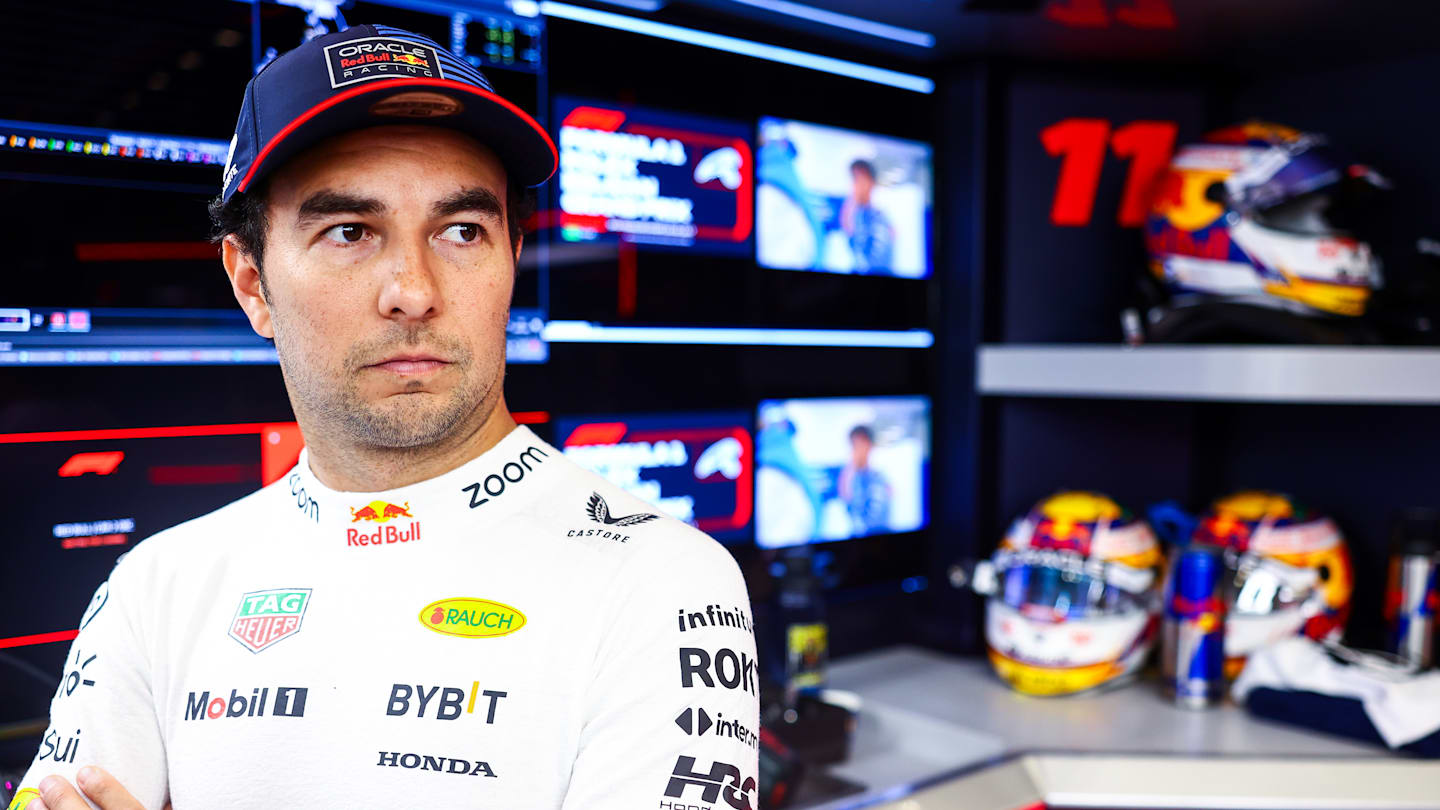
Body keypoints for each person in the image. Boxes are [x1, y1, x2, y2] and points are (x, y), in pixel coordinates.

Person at [9, 25, 757, 810]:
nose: (413, 288)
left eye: (462, 231)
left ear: (511, 261)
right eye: (350, 232)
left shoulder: (660, 580)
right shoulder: (156, 586)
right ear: (253, 283)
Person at [837, 158, 894, 274]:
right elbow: (848, 231)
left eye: (861, 179)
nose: (857, 184)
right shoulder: (854, 212)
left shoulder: (880, 216)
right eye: (854, 179)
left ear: (871, 182)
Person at [836, 425, 891, 536]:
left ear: (869, 445)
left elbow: (876, 518)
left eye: (860, 444)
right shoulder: (851, 474)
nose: (856, 450)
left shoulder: (878, 476)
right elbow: (846, 502)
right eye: (853, 445)